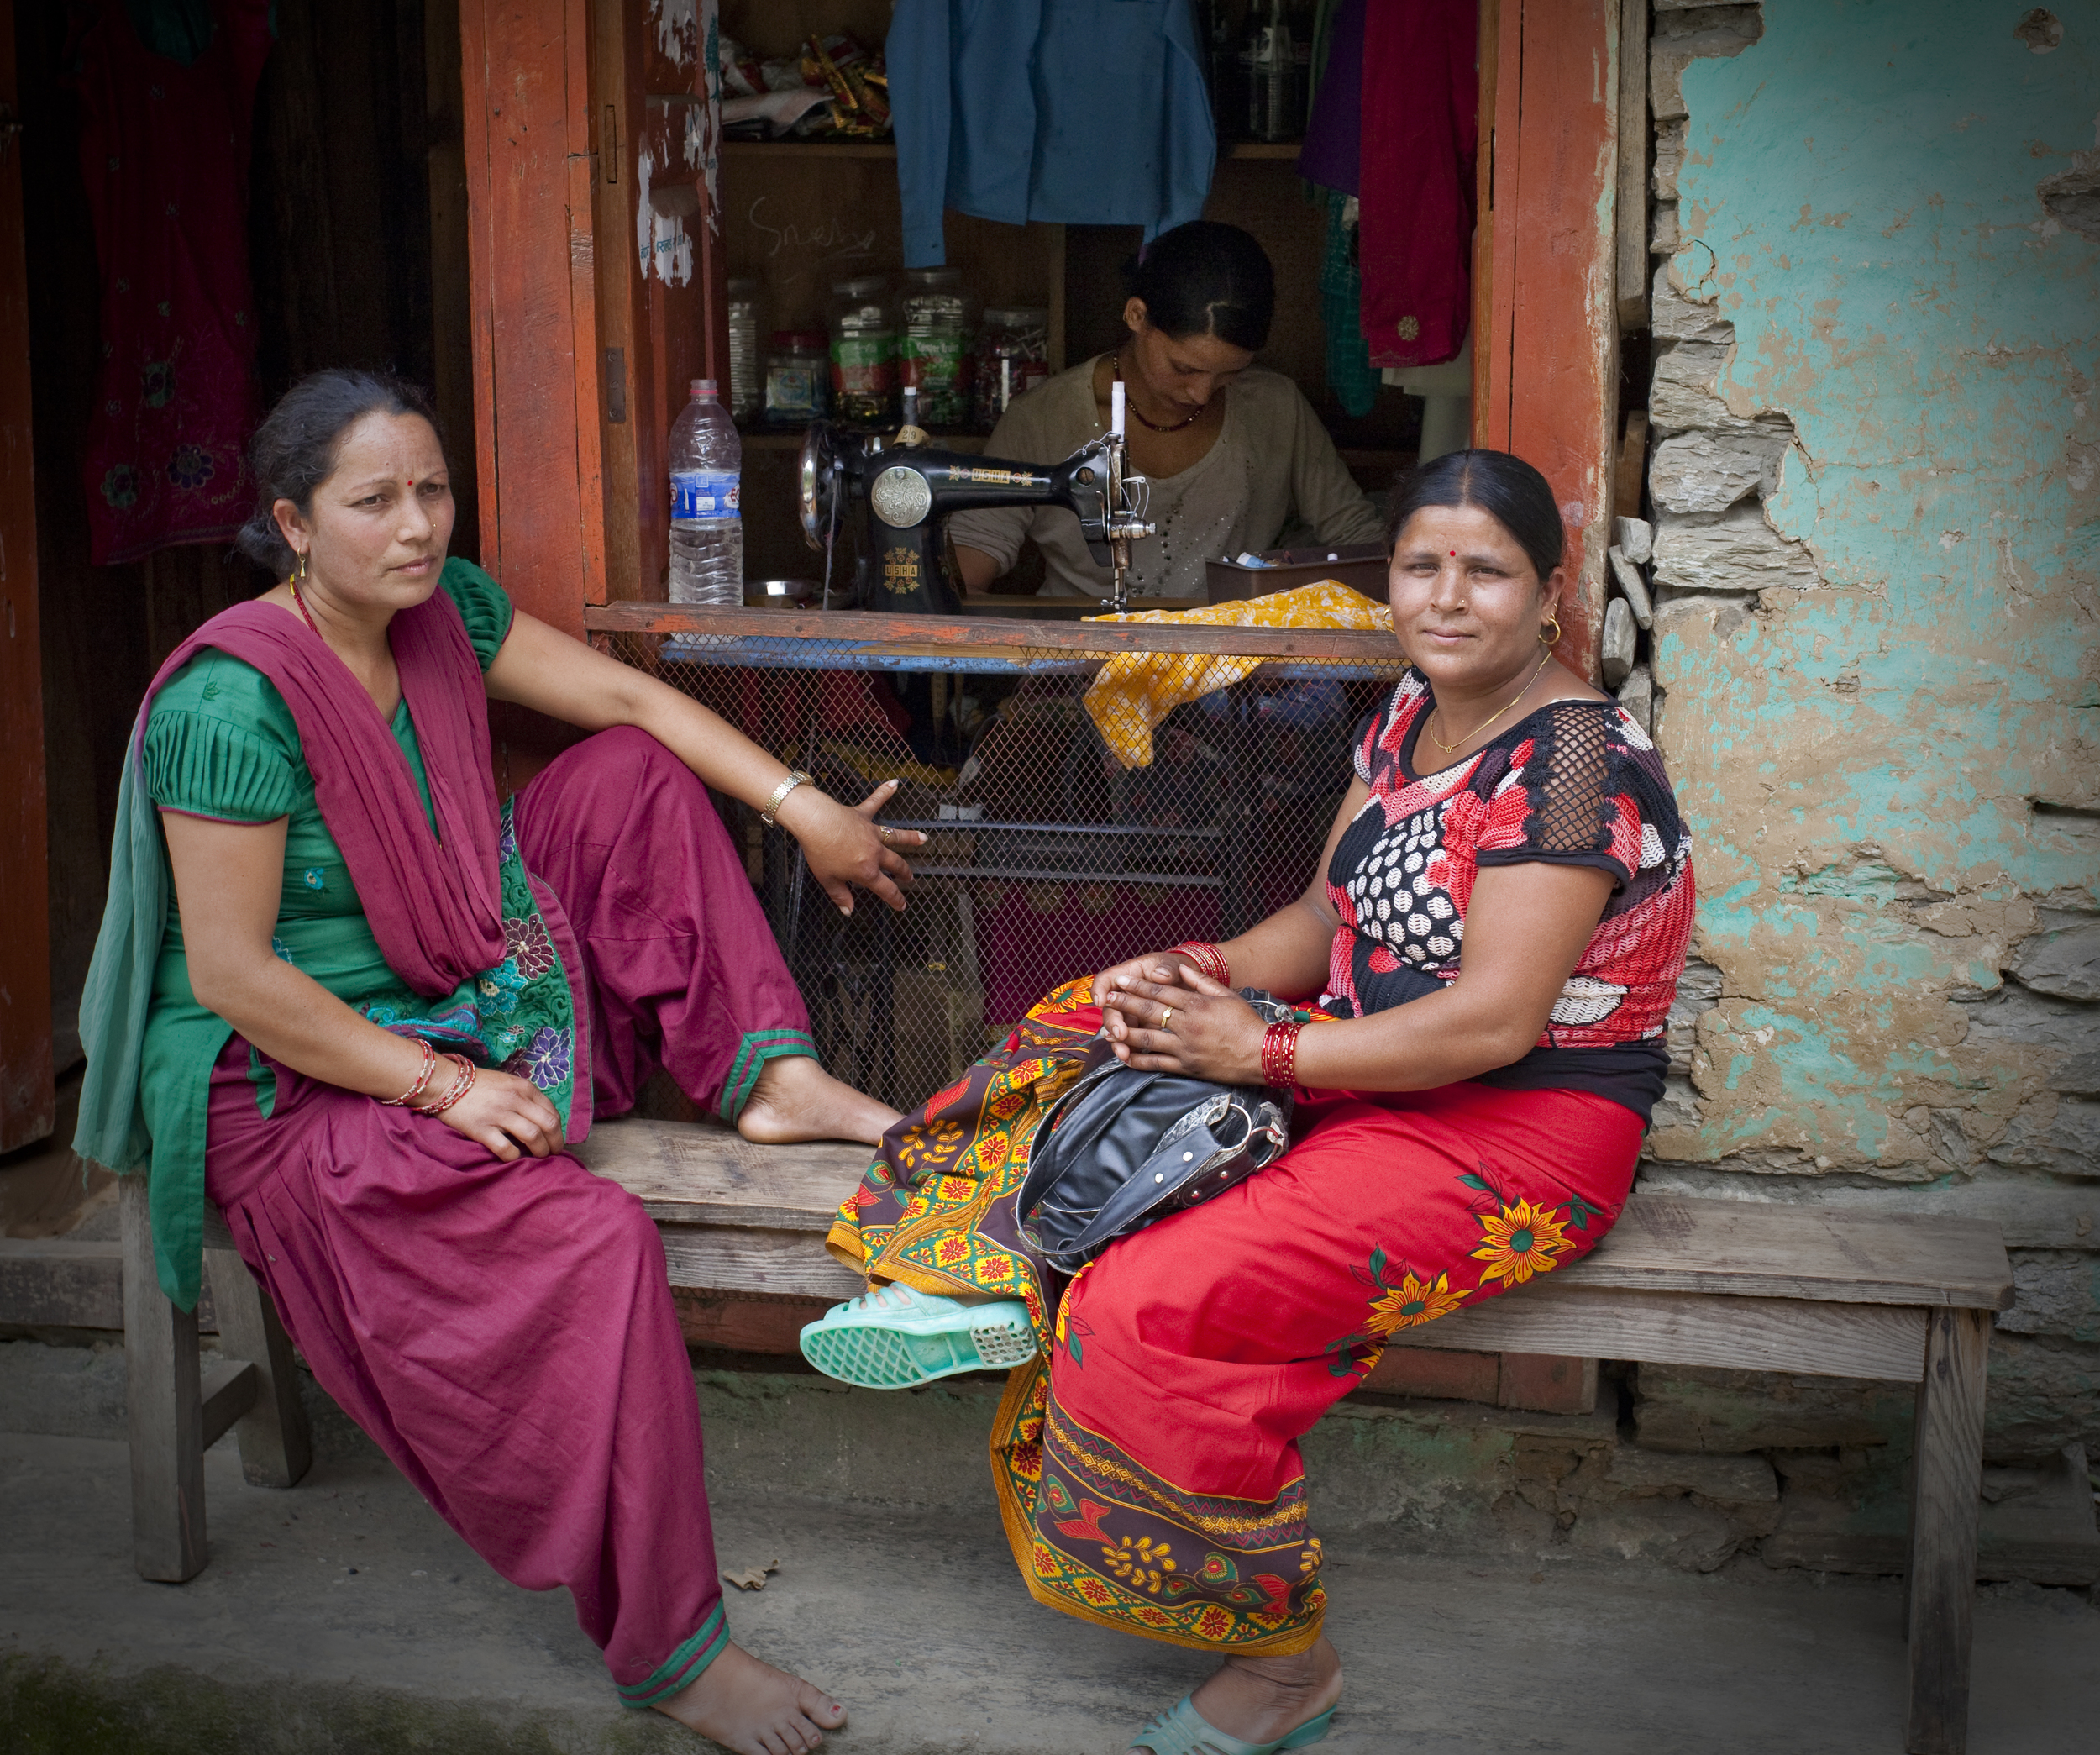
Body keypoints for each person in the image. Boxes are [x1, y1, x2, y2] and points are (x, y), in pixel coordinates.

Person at [75, 370, 927, 1755]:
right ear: (292, 523)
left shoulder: (439, 611)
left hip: (456, 977)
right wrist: (443, 1084)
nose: (416, 526)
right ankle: (670, 1645)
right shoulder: (229, 708)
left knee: (628, 778)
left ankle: (767, 1077)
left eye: (433, 490)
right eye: (374, 501)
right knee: (597, 1241)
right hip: (297, 1071)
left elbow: (628, 705)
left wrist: (806, 806)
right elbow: (236, 976)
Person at [806, 449, 1695, 1753]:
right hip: (1360, 1059)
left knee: (1150, 1302)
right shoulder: (1409, 713)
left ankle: (1287, 1669)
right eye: (1420, 566)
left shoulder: (1572, 767)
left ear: (1550, 592)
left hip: (1516, 1127)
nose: (1447, 599)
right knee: (1084, 1019)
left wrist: (1258, 1055)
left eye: (1486, 572)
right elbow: (1322, 914)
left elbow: (1499, 1021)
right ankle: (980, 1282)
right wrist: (1201, 976)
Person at [949, 221, 1384, 602]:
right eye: (1185, 368)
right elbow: (972, 561)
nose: (1201, 394)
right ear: (1137, 316)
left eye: (1228, 375)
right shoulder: (1043, 420)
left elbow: (1358, 538)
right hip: (1080, 663)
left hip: (1228, 667)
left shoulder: (1276, 408)